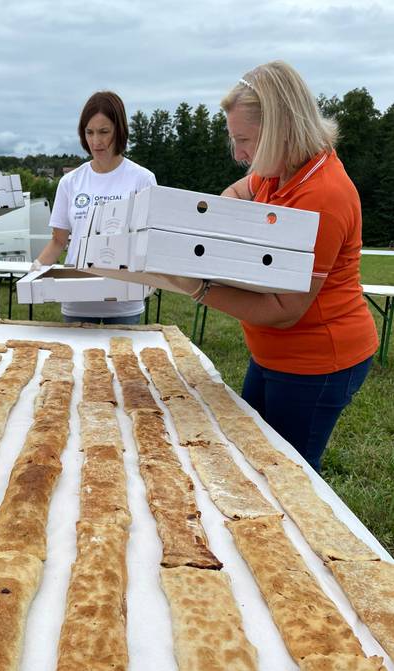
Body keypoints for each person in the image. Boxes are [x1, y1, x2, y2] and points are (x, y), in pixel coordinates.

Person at [181, 61, 378, 471]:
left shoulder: (323, 195)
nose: (239, 154)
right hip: (274, 355)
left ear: (281, 128)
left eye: (244, 140)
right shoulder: (280, 172)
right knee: (252, 454)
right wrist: (223, 217)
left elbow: (283, 310)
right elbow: (239, 189)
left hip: (318, 360)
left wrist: (198, 287)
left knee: (290, 473)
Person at [33, 90, 156, 324]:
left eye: (103, 132)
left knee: (122, 362)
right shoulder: (71, 182)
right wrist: (37, 268)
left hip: (123, 303)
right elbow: (59, 240)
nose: (96, 141)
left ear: (119, 130)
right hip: (77, 300)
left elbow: (149, 241)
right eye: (89, 132)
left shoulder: (142, 179)